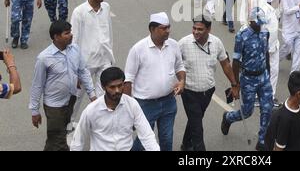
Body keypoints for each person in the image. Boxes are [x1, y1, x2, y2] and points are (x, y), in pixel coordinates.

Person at [29, 21, 96, 151]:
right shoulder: (44, 58)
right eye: (67, 33)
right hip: (54, 106)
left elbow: (83, 71)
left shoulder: (75, 49)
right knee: (59, 141)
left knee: (56, 137)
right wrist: (34, 111)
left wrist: (92, 94)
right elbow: (37, 85)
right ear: (56, 37)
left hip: (70, 101)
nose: (71, 35)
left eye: (70, 32)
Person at [124, 12, 186, 151]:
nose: (168, 31)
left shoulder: (173, 45)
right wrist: (128, 109)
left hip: (169, 102)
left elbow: (179, 66)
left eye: (168, 27)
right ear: (152, 29)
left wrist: (182, 81)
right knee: (143, 142)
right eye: (163, 28)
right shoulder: (138, 49)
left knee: (167, 139)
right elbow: (128, 80)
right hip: (145, 105)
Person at [178, 17, 239, 151]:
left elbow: (225, 64)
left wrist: (234, 85)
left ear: (209, 29)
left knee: (195, 120)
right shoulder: (183, 44)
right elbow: (173, 65)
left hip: (208, 92)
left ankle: (186, 144)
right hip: (189, 93)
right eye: (194, 28)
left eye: (200, 29)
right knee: (198, 128)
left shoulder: (216, 43)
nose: (196, 32)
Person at [70, 67, 160, 151]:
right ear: (103, 87)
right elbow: (78, 141)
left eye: (120, 86)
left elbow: (147, 135)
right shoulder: (91, 110)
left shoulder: (132, 105)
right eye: (112, 87)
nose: (117, 90)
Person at [221, 7, 273, 151]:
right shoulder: (242, 36)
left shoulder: (265, 32)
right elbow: (236, 61)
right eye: (258, 23)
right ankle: (228, 118)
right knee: (247, 111)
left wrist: (268, 71)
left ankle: (262, 140)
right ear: (251, 21)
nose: (260, 25)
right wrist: (235, 84)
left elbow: (266, 53)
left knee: (267, 108)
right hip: (248, 78)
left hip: (263, 76)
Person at [69, 0, 115, 128]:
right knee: (77, 97)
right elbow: (74, 41)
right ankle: (69, 126)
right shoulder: (79, 12)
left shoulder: (106, 8)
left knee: (104, 97)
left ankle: (100, 125)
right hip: (85, 64)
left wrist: (110, 55)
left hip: (104, 60)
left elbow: (109, 32)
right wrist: (74, 69)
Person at [265, 71, 300, 151]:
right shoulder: (285, 119)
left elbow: (299, 118)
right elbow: (278, 148)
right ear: (299, 94)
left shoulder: (298, 104)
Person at [265, 0, 281, 107]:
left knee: (274, 71)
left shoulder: (275, 11)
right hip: (264, 48)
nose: (279, 0)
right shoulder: (263, 11)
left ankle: (271, 96)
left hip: (275, 46)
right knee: (262, 73)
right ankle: (257, 96)